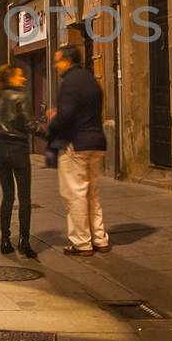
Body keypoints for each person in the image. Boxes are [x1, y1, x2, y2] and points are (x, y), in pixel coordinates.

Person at [46, 45, 109, 255]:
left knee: (74, 194)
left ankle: (82, 242)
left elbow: (67, 116)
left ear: (68, 61)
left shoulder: (69, 83)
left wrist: (52, 121)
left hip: (76, 143)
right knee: (92, 192)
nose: (56, 66)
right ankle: (99, 238)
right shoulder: (91, 80)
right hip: (96, 142)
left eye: (58, 61)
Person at [0, 65, 41, 259]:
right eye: (20, 76)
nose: (24, 79)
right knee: (24, 198)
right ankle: (24, 242)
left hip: (1, 152)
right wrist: (50, 135)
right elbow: (30, 125)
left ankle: (5, 240)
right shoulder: (20, 97)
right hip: (18, 151)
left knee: (7, 196)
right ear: (11, 78)